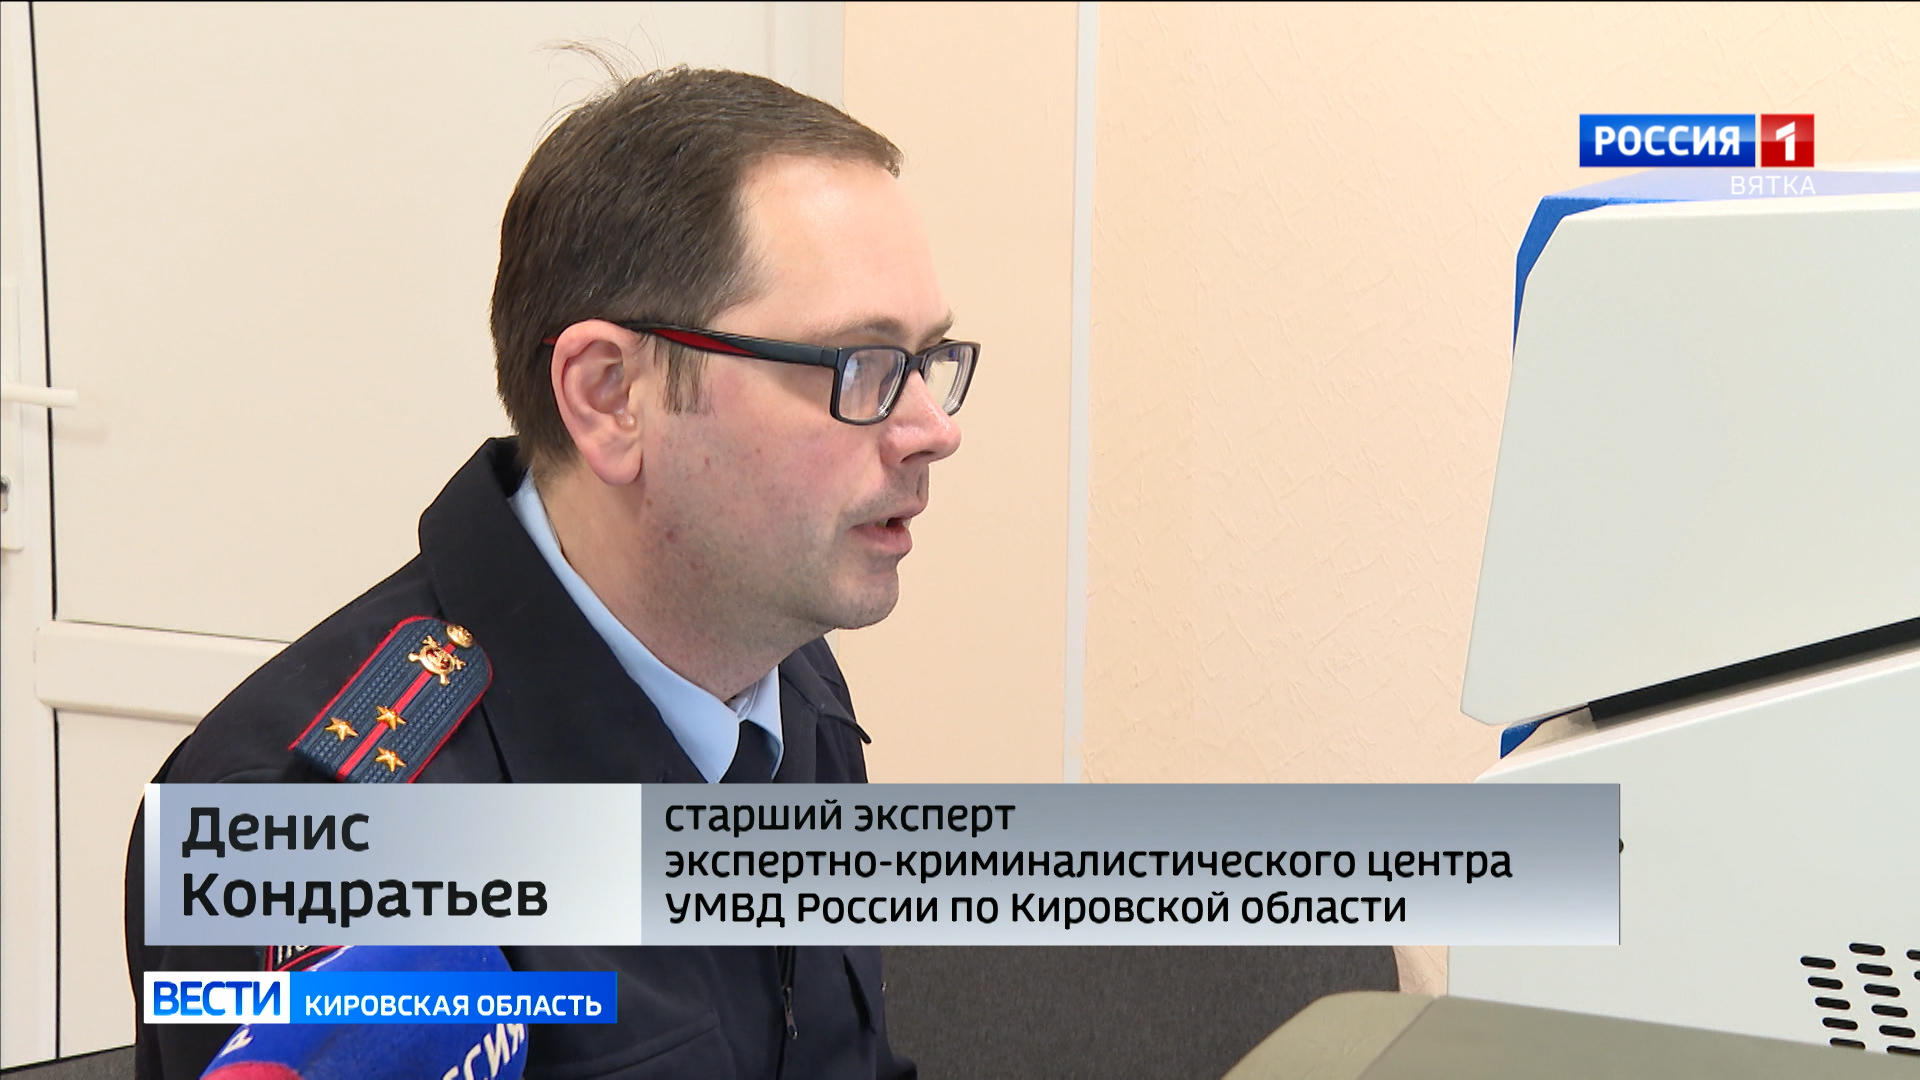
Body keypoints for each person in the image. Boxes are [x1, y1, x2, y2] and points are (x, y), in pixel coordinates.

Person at [124, 66, 975, 1078]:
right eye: (859, 367)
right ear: (610, 396)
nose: (935, 429)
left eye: (927, 361)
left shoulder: (776, 665)